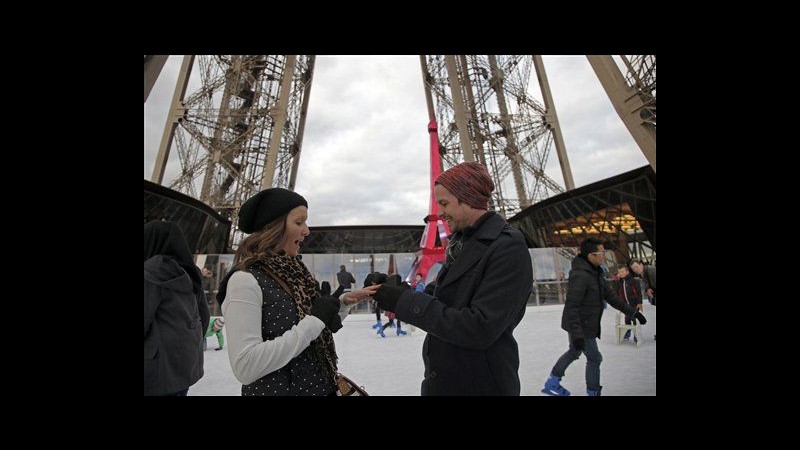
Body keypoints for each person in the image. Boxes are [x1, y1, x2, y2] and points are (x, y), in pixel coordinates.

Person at [366, 162, 533, 395]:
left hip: (481, 386)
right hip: (445, 382)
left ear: (469, 198)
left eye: (444, 204)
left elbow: (479, 327)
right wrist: (395, 291)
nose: (440, 213)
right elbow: (440, 297)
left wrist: (404, 302)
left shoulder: (507, 247)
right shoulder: (462, 243)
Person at [216, 188, 374, 396]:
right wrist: (315, 320)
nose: (307, 231)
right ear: (273, 227)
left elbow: (312, 330)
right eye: (299, 222)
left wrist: (343, 304)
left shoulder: (297, 275)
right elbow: (246, 366)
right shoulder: (244, 281)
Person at [540, 238, 647, 396]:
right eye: (601, 252)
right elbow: (572, 306)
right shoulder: (581, 276)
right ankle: (592, 392)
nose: (604, 255)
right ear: (591, 255)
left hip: (586, 322)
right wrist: (577, 334)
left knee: (574, 352)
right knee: (594, 358)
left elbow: (611, 297)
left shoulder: (596, 273)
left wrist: (633, 312)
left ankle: (552, 382)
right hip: (581, 324)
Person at [144, 220, 210, 396]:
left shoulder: (150, 272)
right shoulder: (190, 271)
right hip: (185, 367)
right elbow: (204, 316)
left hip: (155, 370)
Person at [630, 259, 656, 340]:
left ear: (641, 264)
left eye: (636, 267)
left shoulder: (651, 270)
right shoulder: (642, 274)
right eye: (633, 269)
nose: (635, 270)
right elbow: (647, 284)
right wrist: (647, 289)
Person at [614, 265, 641, 342]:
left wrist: (639, 302)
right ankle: (628, 333)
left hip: (634, 305)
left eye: (622, 271)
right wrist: (617, 280)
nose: (621, 273)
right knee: (627, 319)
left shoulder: (633, 281)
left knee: (634, 319)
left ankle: (636, 335)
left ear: (627, 271)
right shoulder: (620, 282)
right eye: (619, 272)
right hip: (625, 305)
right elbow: (616, 291)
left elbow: (638, 293)